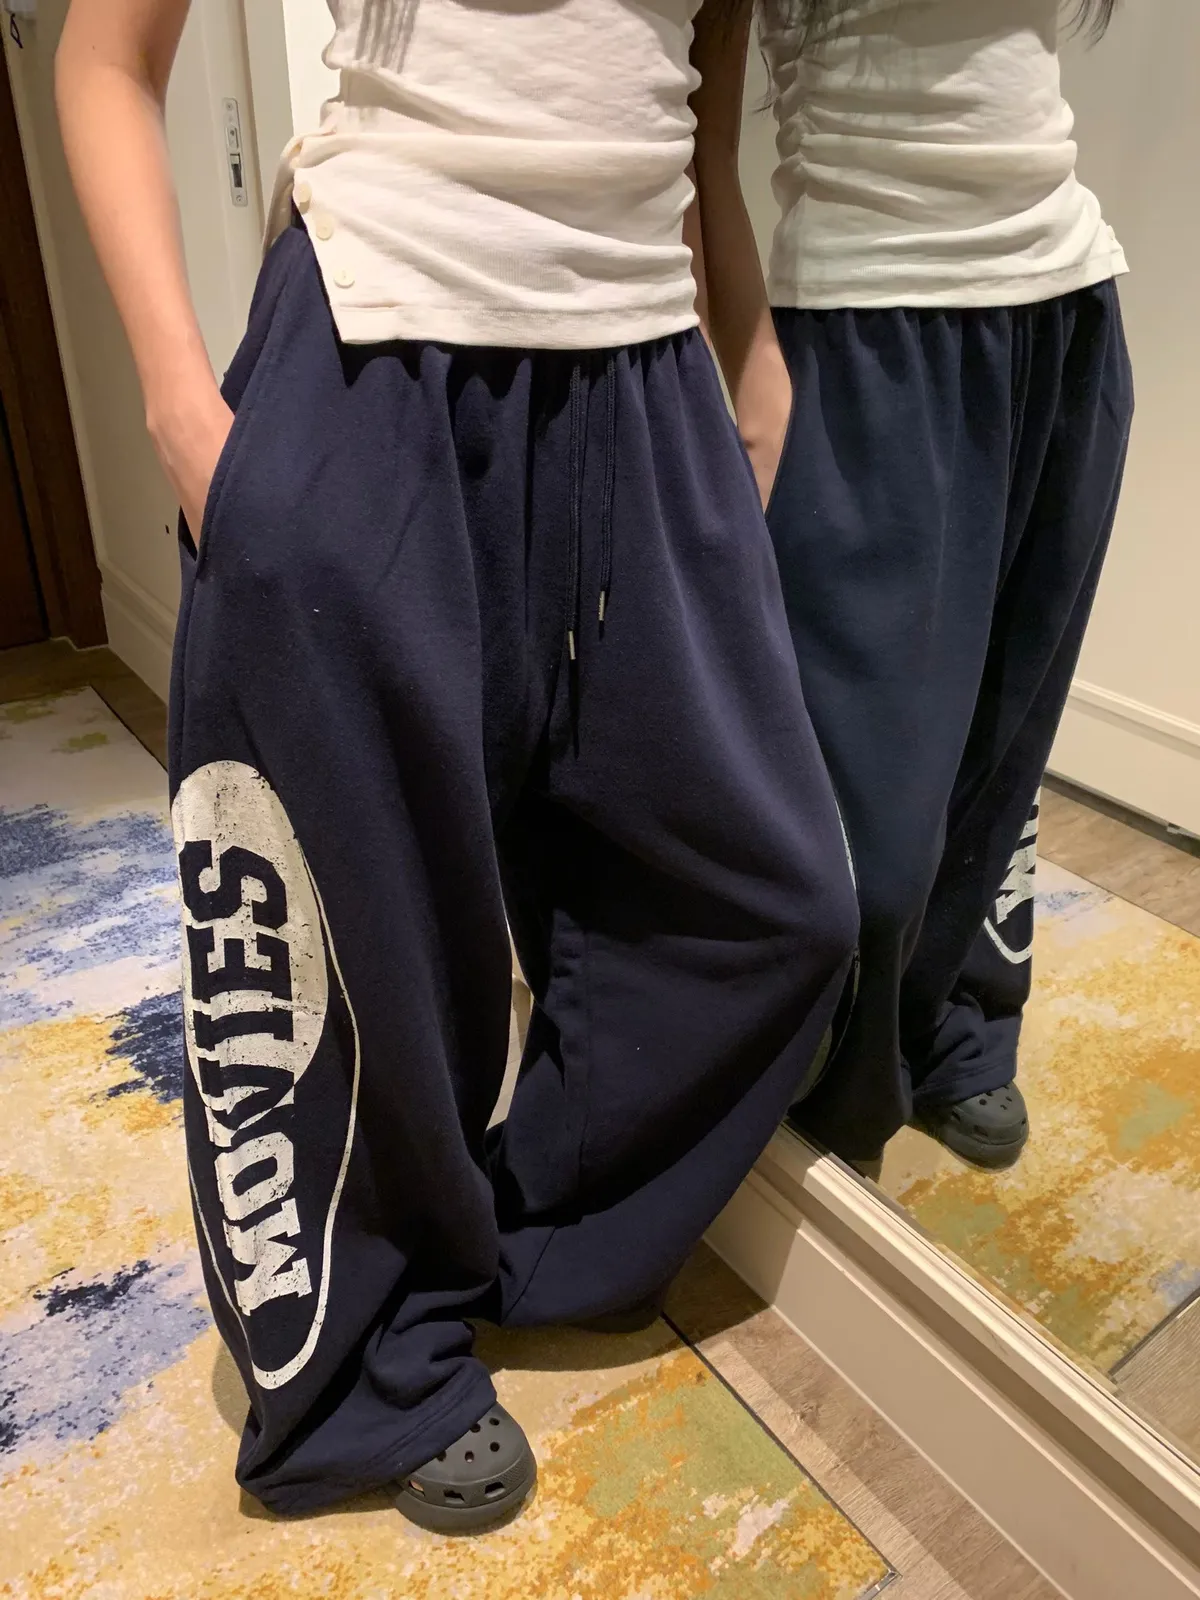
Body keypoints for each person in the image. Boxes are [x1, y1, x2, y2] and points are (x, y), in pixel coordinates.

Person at [57, 0, 858, 1531]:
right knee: (358, 912)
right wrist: (183, 412)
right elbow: (105, 59)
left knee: (776, 901)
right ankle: (366, 1358)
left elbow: (691, 99)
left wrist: (744, 344)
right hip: (381, 340)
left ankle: (502, 1233)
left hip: (646, 371)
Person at [691, 0, 1132, 1171]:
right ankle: (833, 1093)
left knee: (1005, 744)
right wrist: (748, 359)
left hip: (1067, 304)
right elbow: (698, 109)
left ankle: (963, 1025)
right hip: (867, 329)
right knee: (870, 830)